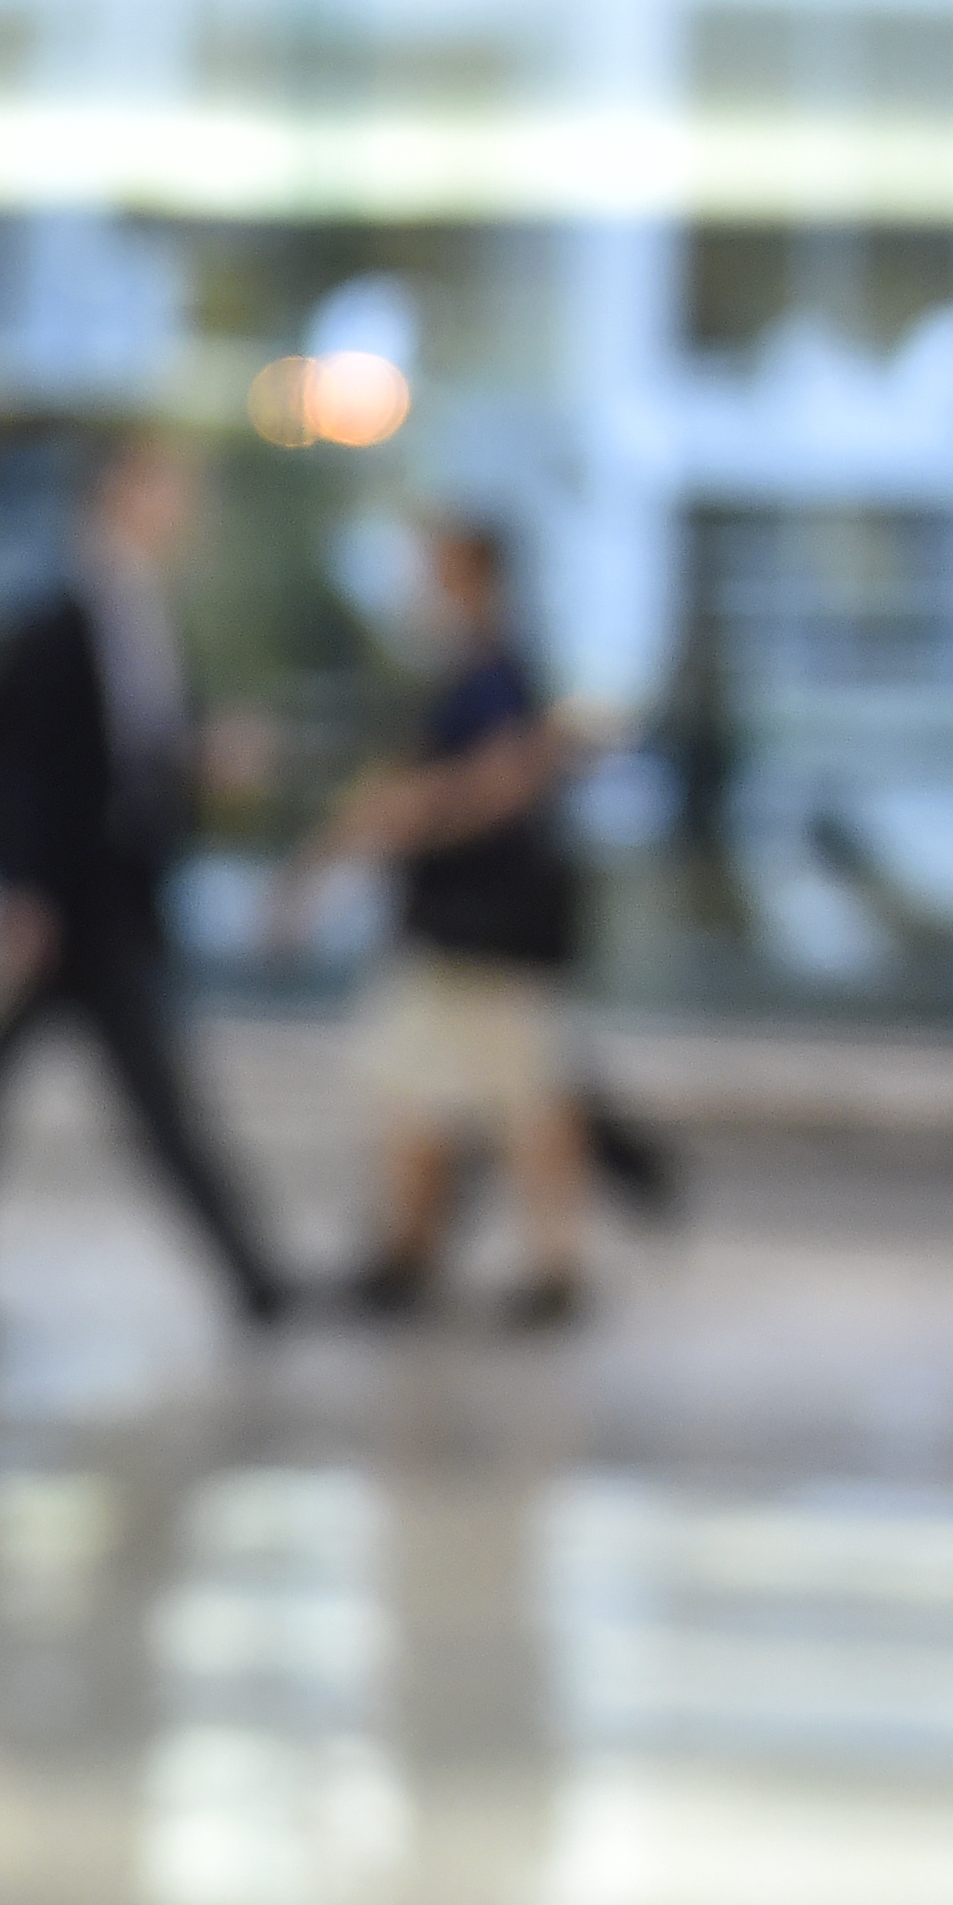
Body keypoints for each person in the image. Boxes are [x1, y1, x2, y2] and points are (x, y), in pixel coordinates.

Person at [0, 426, 289, 1345]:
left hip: (114, 906)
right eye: (166, 489)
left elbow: (129, 755)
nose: (185, 511)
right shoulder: (54, 619)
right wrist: (16, 884)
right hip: (60, 907)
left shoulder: (149, 615)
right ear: (119, 495)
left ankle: (255, 1277)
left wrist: (200, 762)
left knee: (148, 1098)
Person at [284, 519, 594, 1326]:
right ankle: (414, 1252)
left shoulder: (495, 674)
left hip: (482, 925)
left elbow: (502, 782)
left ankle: (532, 1264)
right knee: (422, 1084)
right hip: (456, 922)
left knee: (516, 1092)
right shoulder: (472, 672)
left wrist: (405, 814)